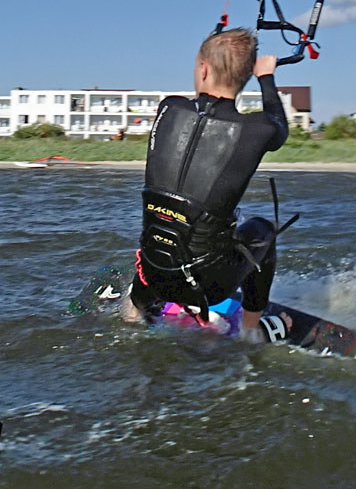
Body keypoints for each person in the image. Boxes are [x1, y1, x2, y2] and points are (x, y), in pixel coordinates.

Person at [120, 28, 292, 342]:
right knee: (262, 230)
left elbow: (199, 111)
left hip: (154, 271)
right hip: (209, 286)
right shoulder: (259, 130)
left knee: (166, 221)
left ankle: (136, 310)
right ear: (245, 75)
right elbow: (278, 125)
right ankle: (250, 332)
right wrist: (265, 77)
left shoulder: (168, 108)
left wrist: (217, 47)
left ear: (203, 68)